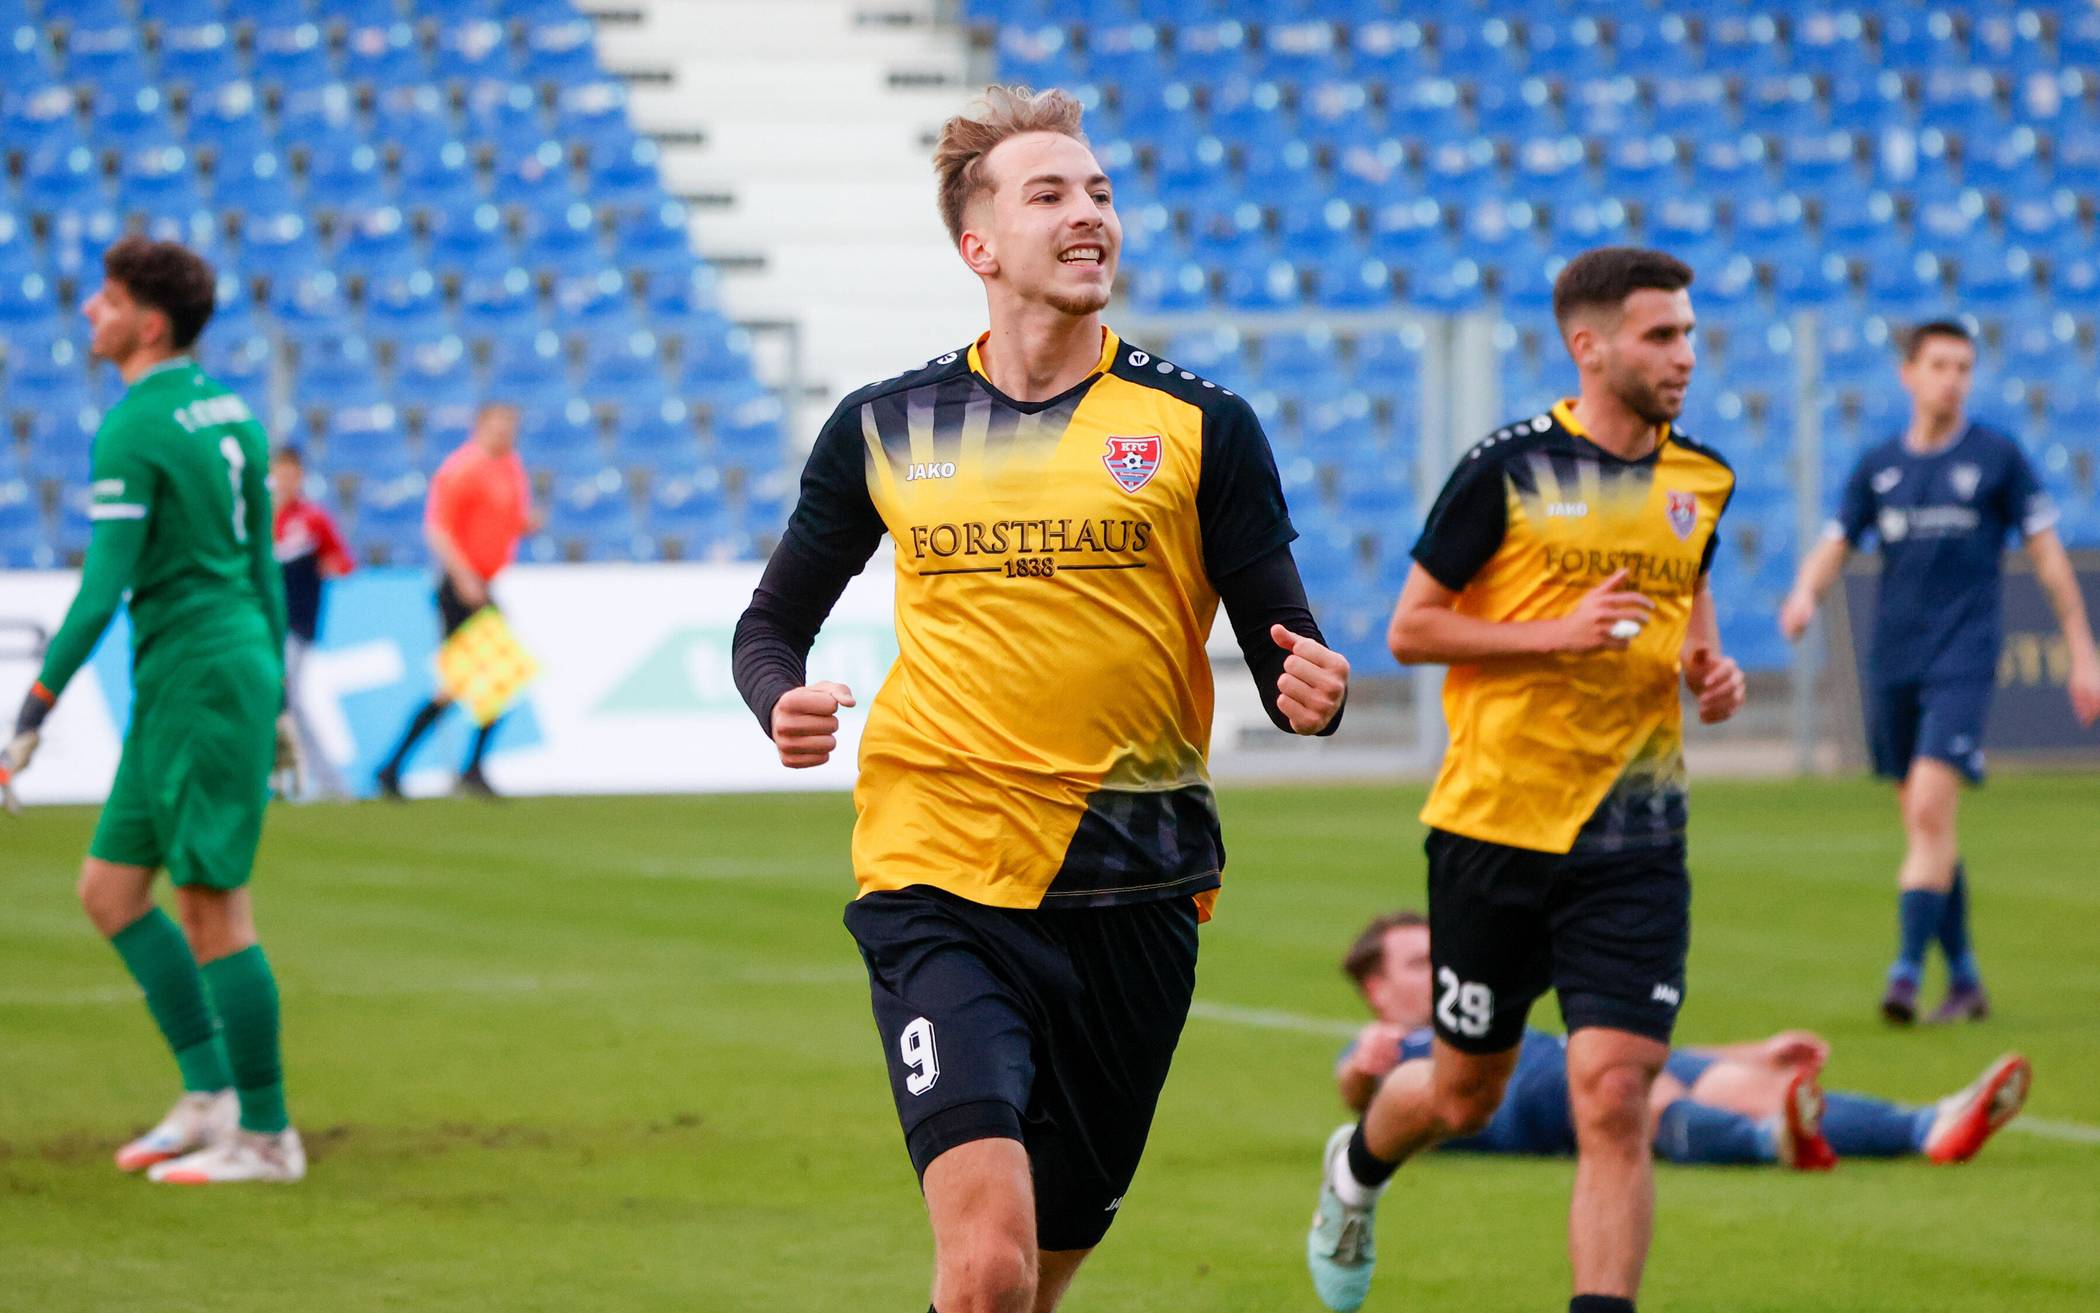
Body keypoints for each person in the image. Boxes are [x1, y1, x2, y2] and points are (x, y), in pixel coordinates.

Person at [730, 86, 1349, 1313]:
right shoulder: (886, 425)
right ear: (979, 244)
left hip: (1136, 887)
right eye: (1051, 194)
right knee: (986, 1267)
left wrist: (1314, 690)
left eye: (1101, 193)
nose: (1089, 215)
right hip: (937, 874)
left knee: (1038, 1277)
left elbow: (1292, 659)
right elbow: (769, 626)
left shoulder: (1204, 426)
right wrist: (779, 697)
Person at [1306, 248, 1744, 1313]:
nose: (1685, 354)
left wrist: (1709, 667)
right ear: (1588, 346)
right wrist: (1558, 632)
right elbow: (1411, 629)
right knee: (1465, 1094)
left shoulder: (1703, 478)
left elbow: (1688, 603)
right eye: (1661, 335)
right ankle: (1355, 1170)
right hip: (1495, 828)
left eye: (1688, 333)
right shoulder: (1507, 469)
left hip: (1636, 839)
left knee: (1616, 1090)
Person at [0, 236, 304, 1183]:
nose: (91, 309)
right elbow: (262, 567)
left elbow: (101, 590)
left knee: (212, 907)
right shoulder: (231, 411)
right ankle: (209, 1094)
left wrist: (32, 709)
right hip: (206, 669)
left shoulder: (134, 426)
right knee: (110, 890)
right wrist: (277, 696)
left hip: (200, 676)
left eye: (109, 297)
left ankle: (267, 1135)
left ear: (150, 324)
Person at [1779, 319, 2100, 1025]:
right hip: (1893, 663)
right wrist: (1803, 594)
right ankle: (1965, 977)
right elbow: (1836, 542)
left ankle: (1903, 973)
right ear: (1909, 374)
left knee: (1928, 811)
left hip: (1964, 660)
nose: (1952, 379)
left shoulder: (1997, 458)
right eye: (1940, 365)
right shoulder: (1879, 466)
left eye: (1963, 367)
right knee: (1928, 827)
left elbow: (2049, 559)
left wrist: (2083, 650)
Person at [1336, 911, 2031, 1170]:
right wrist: (1364, 1072)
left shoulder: (1481, 1015)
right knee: (1645, 1088)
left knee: (1749, 1085)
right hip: (1531, 1101)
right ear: (1376, 988)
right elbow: (1362, 1095)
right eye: (1417, 963)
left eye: (1441, 953)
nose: (1441, 967)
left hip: (1581, 1062)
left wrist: (1752, 1049)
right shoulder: (1389, 1045)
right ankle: (1765, 1143)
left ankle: (1929, 1127)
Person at [373, 402, 530, 800]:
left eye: (510, 426)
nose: (505, 433)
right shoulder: (463, 468)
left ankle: (415, 768)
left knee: (490, 680)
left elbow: (506, 519)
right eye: (498, 426)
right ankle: (402, 768)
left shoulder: (510, 467)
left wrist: (525, 525)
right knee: (472, 682)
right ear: (480, 426)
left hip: (484, 584)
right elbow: (437, 529)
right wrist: (463, 577)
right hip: (462, 587)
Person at [271, 444, 355, 800]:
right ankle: (280, 777)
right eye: (280, 473)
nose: (286, 481)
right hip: (261, 624)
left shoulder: (312, 520)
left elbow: (343, 562)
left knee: (286, 696)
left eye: (292, 474)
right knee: (274, 699)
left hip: (297, 622)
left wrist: (326, 566)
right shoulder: (258, 519)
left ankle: (326, 780)